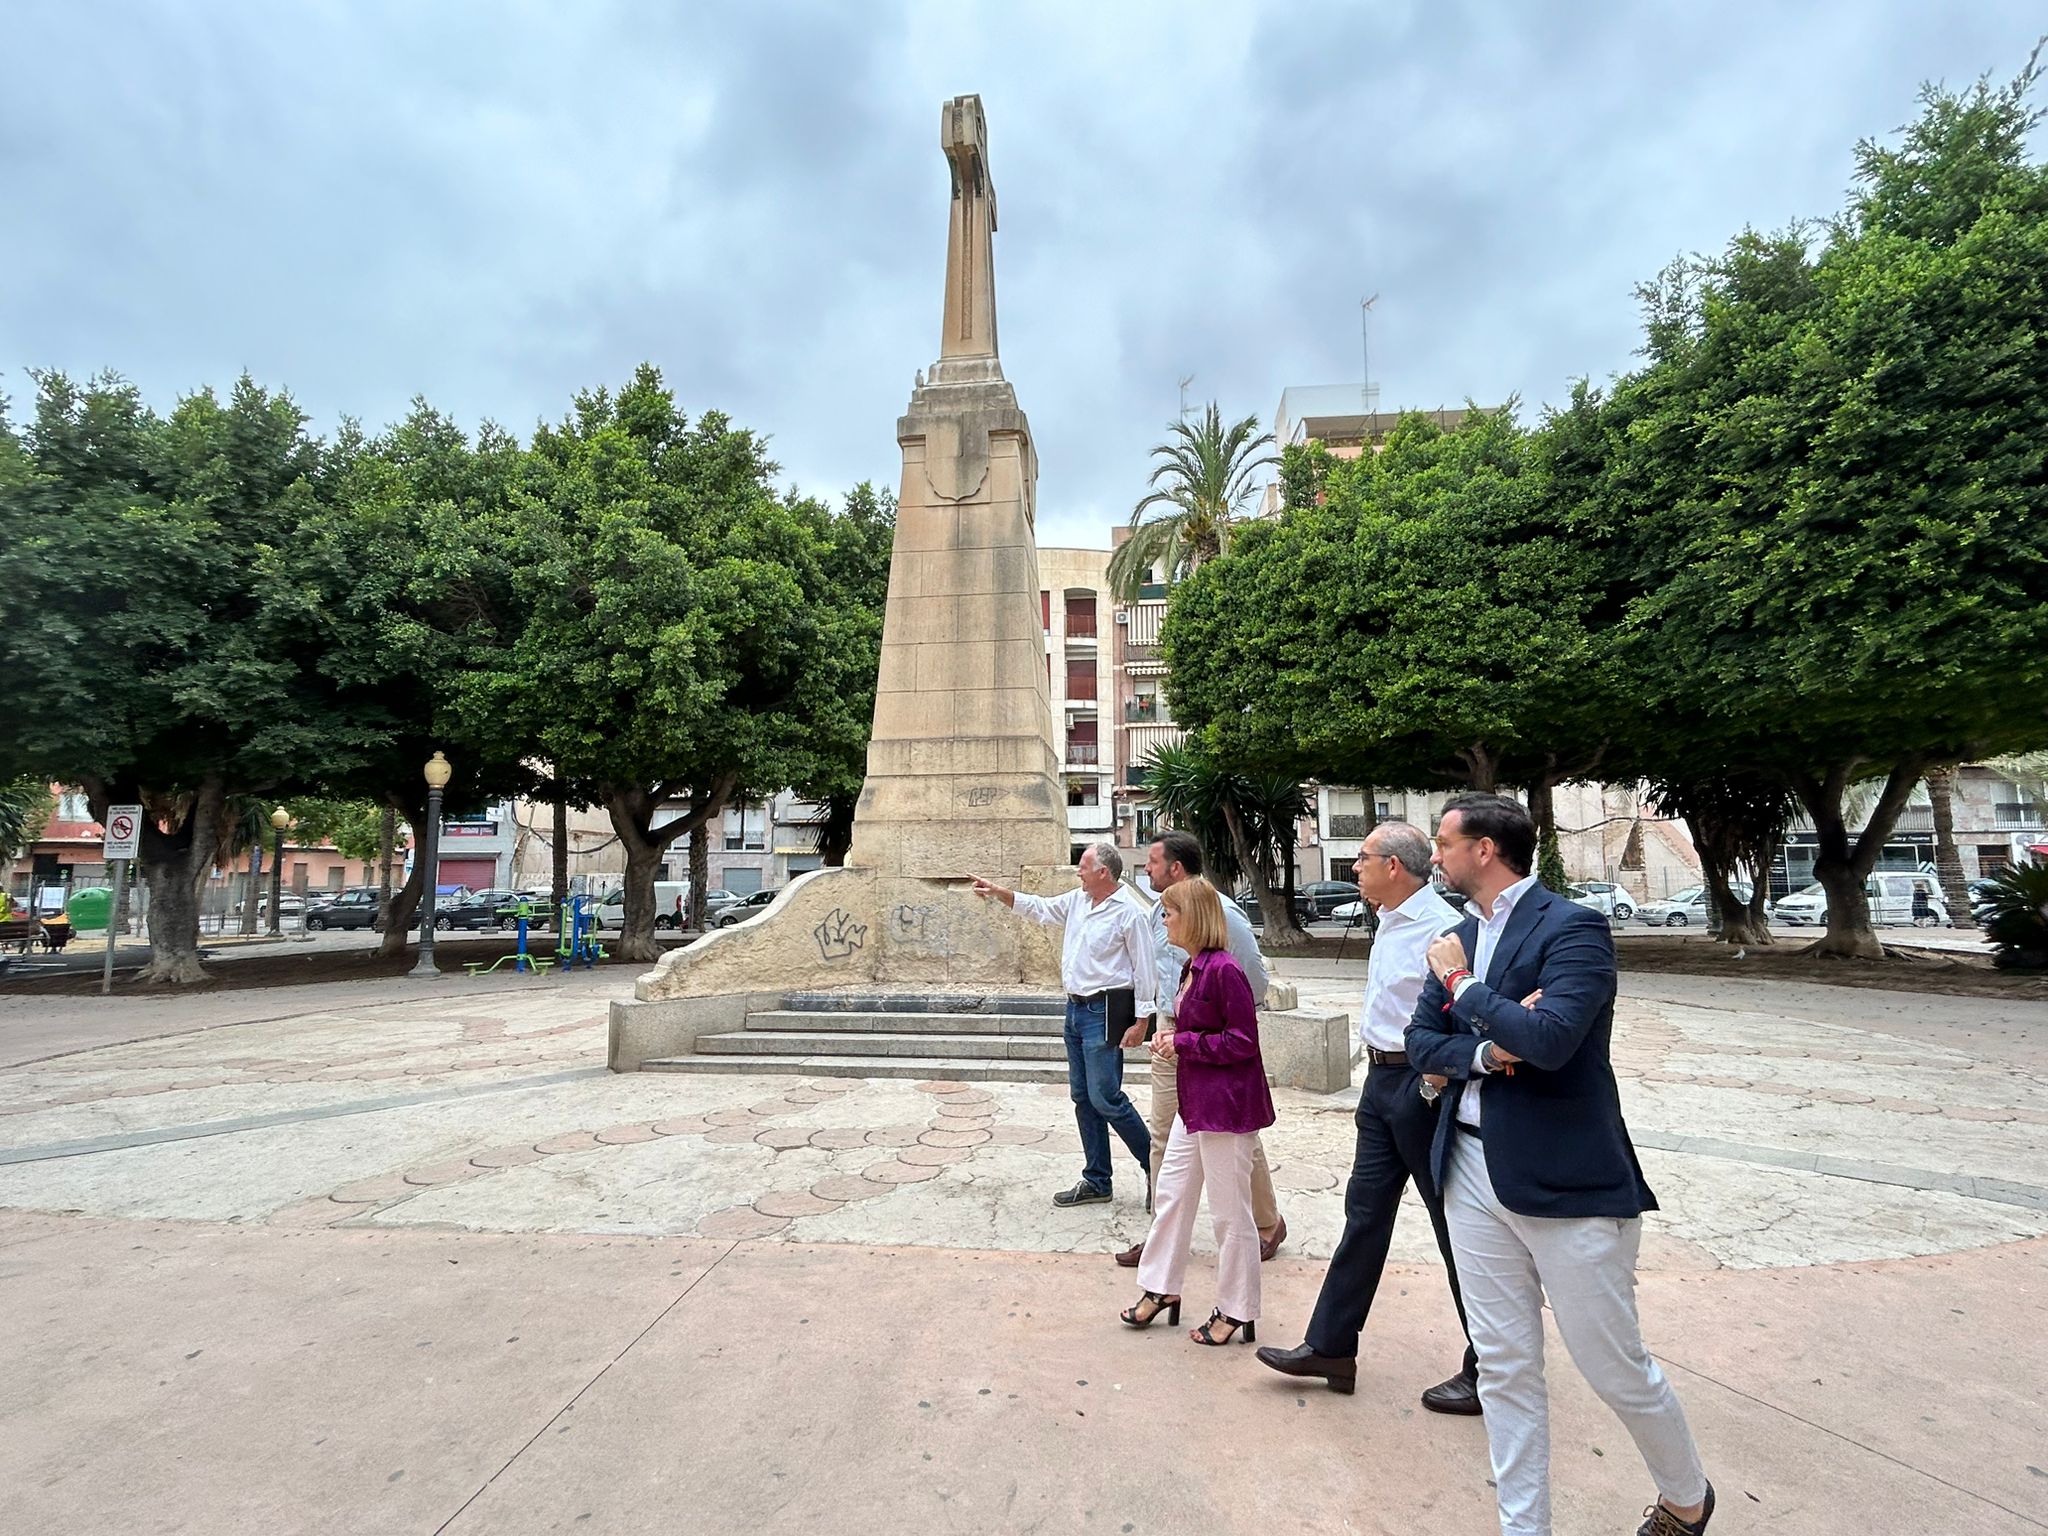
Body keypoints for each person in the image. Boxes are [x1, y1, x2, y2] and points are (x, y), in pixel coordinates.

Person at [1406, 793, 1713, 1536]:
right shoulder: (1455, 934)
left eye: (1444, 843)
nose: (1436, 856)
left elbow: (1550, 1042)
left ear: (1483, 849)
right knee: (1505, 1367)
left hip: (1566, 1181)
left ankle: (1687, 1495)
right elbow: (1420, 1044)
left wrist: (1466, 992)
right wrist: (1488, 1047)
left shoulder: (1574, 928)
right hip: (1471, 1176)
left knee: (1613, 1366)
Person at [1256, 821, 1481, 1413]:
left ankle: (1491, 1365)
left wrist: (1432, 1080)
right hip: (1380, 1084)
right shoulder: (1389, 918)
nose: (1353, 868)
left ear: (1395, 867)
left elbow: (1466, 1013)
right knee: (1364, 1217)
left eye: (1362, 858)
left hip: (1419, 1084)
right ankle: (1331, 1346)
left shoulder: (1442, 928)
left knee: (1455, 1225)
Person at [1116, 831, 1285, 1268]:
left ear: (1175, 867)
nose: (1146, 869)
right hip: (1171, 1033)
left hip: (1213, 1041)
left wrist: (1220, 1017)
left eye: (1153, 862)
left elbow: (1252, 977)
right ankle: (1161, 1237)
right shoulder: (1157, 912)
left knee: (1235, 1133)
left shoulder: (1223, 914)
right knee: (1161, 1136)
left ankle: (1267, 1222)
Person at [975, 843, 1156, 1208]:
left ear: (1103, 872)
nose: (1079, 872)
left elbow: (1145, 970)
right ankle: (1097, 1180)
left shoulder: (1130, 913)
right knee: (1083, 1099)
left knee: (1107, 1097)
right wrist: (999, 893)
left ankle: (1158, 1167)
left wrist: (1141, 1023)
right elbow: (1040, 908)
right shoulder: (1078, 900)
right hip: (1074, 1011)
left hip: (1104, 1012)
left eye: (1084, 866)